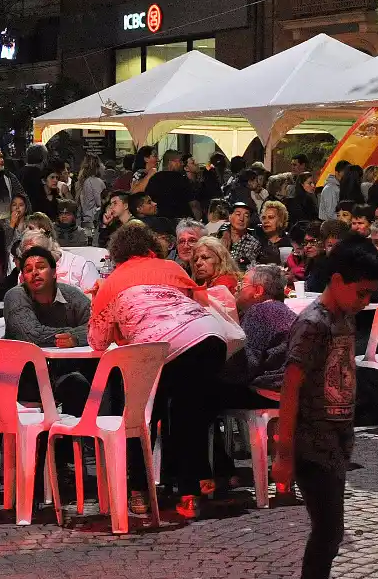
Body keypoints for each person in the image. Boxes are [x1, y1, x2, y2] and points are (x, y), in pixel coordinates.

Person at [270, 238, 378, 579]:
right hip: (310, 442)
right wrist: (283, 455)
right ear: (337, 280)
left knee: (330, 534)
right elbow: (291, 387)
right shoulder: (314, 322)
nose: (365, 301)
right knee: (326, 534)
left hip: (334, 439)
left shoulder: (342, 318)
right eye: (362, 292)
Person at [88, 223, 236, 519]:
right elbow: (199, 300)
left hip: (164, 349)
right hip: (210, 339)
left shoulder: (113, 282)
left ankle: (139, 489)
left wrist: (100, 303)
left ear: (118, 256)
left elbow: (97, 340)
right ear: (151, 248)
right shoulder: (171, 267)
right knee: (188, 415)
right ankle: (192, 490)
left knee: (136, 413)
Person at [216, 263, 296, 402]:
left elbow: (244, 369)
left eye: (242, 284)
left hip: (273, 390)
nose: (236, 288)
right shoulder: (283, 310)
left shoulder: (259, 311)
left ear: (258, 291)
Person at [221, 201, 279, 268]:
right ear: (230, 217)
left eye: (246, 216)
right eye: (238, 214)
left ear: (249, 221)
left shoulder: (254, 244)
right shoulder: (219, 236)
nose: (241, 219)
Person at [145, 149, 198, 221]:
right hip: (181, 222)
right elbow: (193, 204)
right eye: (179, 161)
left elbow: (150, 199)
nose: (182, 164)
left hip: (161, 221)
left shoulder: (154, 178)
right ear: (171, 162)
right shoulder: (181, 179)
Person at [303, 220, 351, 293]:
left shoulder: (353, 264)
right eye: (330, 246)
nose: (334, 251)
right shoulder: (318, 263)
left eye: (338, 246)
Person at [74, 155, 106, 230]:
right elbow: (101, 204)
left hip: (84, 221)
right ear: (97, 166)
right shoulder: (95, 181)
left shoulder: (80, 182)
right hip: (94, 223)